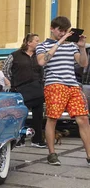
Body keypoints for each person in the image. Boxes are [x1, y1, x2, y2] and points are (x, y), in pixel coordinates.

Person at [36, 16, 90, 166]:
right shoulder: (42, 45)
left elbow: (83, 63)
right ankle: (52, 154)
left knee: (83, 118)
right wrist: (59, 42)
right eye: (60, 30)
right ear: (52, 29)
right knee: (53, 118)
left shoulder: (72, 46)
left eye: (65, 31)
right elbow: (42, 61)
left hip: (72, 84)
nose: (62, 33)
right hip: (54, 84)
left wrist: (81, 47)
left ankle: (89, 155)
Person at [4, 33, 46, 148]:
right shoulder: (14, 55)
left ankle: (37, 139)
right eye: (36, 41)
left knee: (38, 116)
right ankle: (19, 139)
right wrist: (13, 83)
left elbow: (43, 71)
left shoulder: (39, 55)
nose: (39, 43)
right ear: (28, 42)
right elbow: (6, 70)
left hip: (37, 89)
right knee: (20, 116)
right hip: (20, 89)